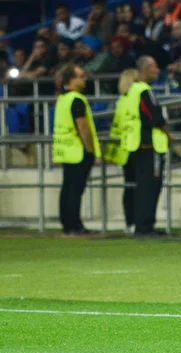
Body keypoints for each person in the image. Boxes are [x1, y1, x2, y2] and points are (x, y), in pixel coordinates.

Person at [121, 56, 173, 237]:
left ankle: (137, 224)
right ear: (146, 69)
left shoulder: (129, 92)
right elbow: (157, 118)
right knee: (150, 187)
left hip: (134, 145)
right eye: (155, 67)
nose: (158, 71)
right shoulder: (144, 90)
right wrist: (169, 136)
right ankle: (145, 226)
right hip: (150, 145)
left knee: (138, 186)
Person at [53, 64, 101, 235]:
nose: (84, 79)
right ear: (71, 80)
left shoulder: (62, 99)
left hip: (65, 150)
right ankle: (75, 225)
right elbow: (83, 127)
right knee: (75, 190)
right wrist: (90, 149)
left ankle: (67, 224)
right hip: (78, 150)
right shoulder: (77, 99)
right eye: (81, 76)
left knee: (67, 188)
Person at [104, 68, 139, 234]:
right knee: (138, 187)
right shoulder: (135, 99)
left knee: (129, 186)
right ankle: (138, 222)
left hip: (124, 148)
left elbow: (116, 127)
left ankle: (130, 222)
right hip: (136, 146)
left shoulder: (121, 101)